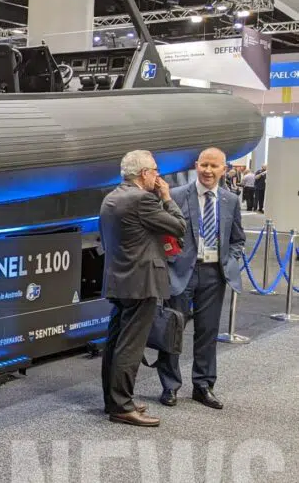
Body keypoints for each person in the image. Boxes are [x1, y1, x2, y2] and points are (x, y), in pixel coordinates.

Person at [100, 150, 186, 427]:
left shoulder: (111, 197)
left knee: (115, 343)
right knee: (130, 347)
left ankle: (113, 400)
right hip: (141, 282)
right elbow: (179, 226)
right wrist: (167, 197)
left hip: (119, 281)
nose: (158, 176)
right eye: (155, 171)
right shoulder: (143, 200)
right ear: (144, 173)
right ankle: (122, 407)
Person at [157, 148, 245, 410]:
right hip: (180, 272)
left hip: (213, 274)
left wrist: (229, 260)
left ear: (224, 169)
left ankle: (203, 385)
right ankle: (170, 386)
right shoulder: (175, 195)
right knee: (172, 329)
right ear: (196, 165)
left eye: (214, 166)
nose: (208, 170)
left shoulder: (230, 200)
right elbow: (161, 234)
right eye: (204, 164)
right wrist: (169, 261)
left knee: (208, 331)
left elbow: (237, 238)